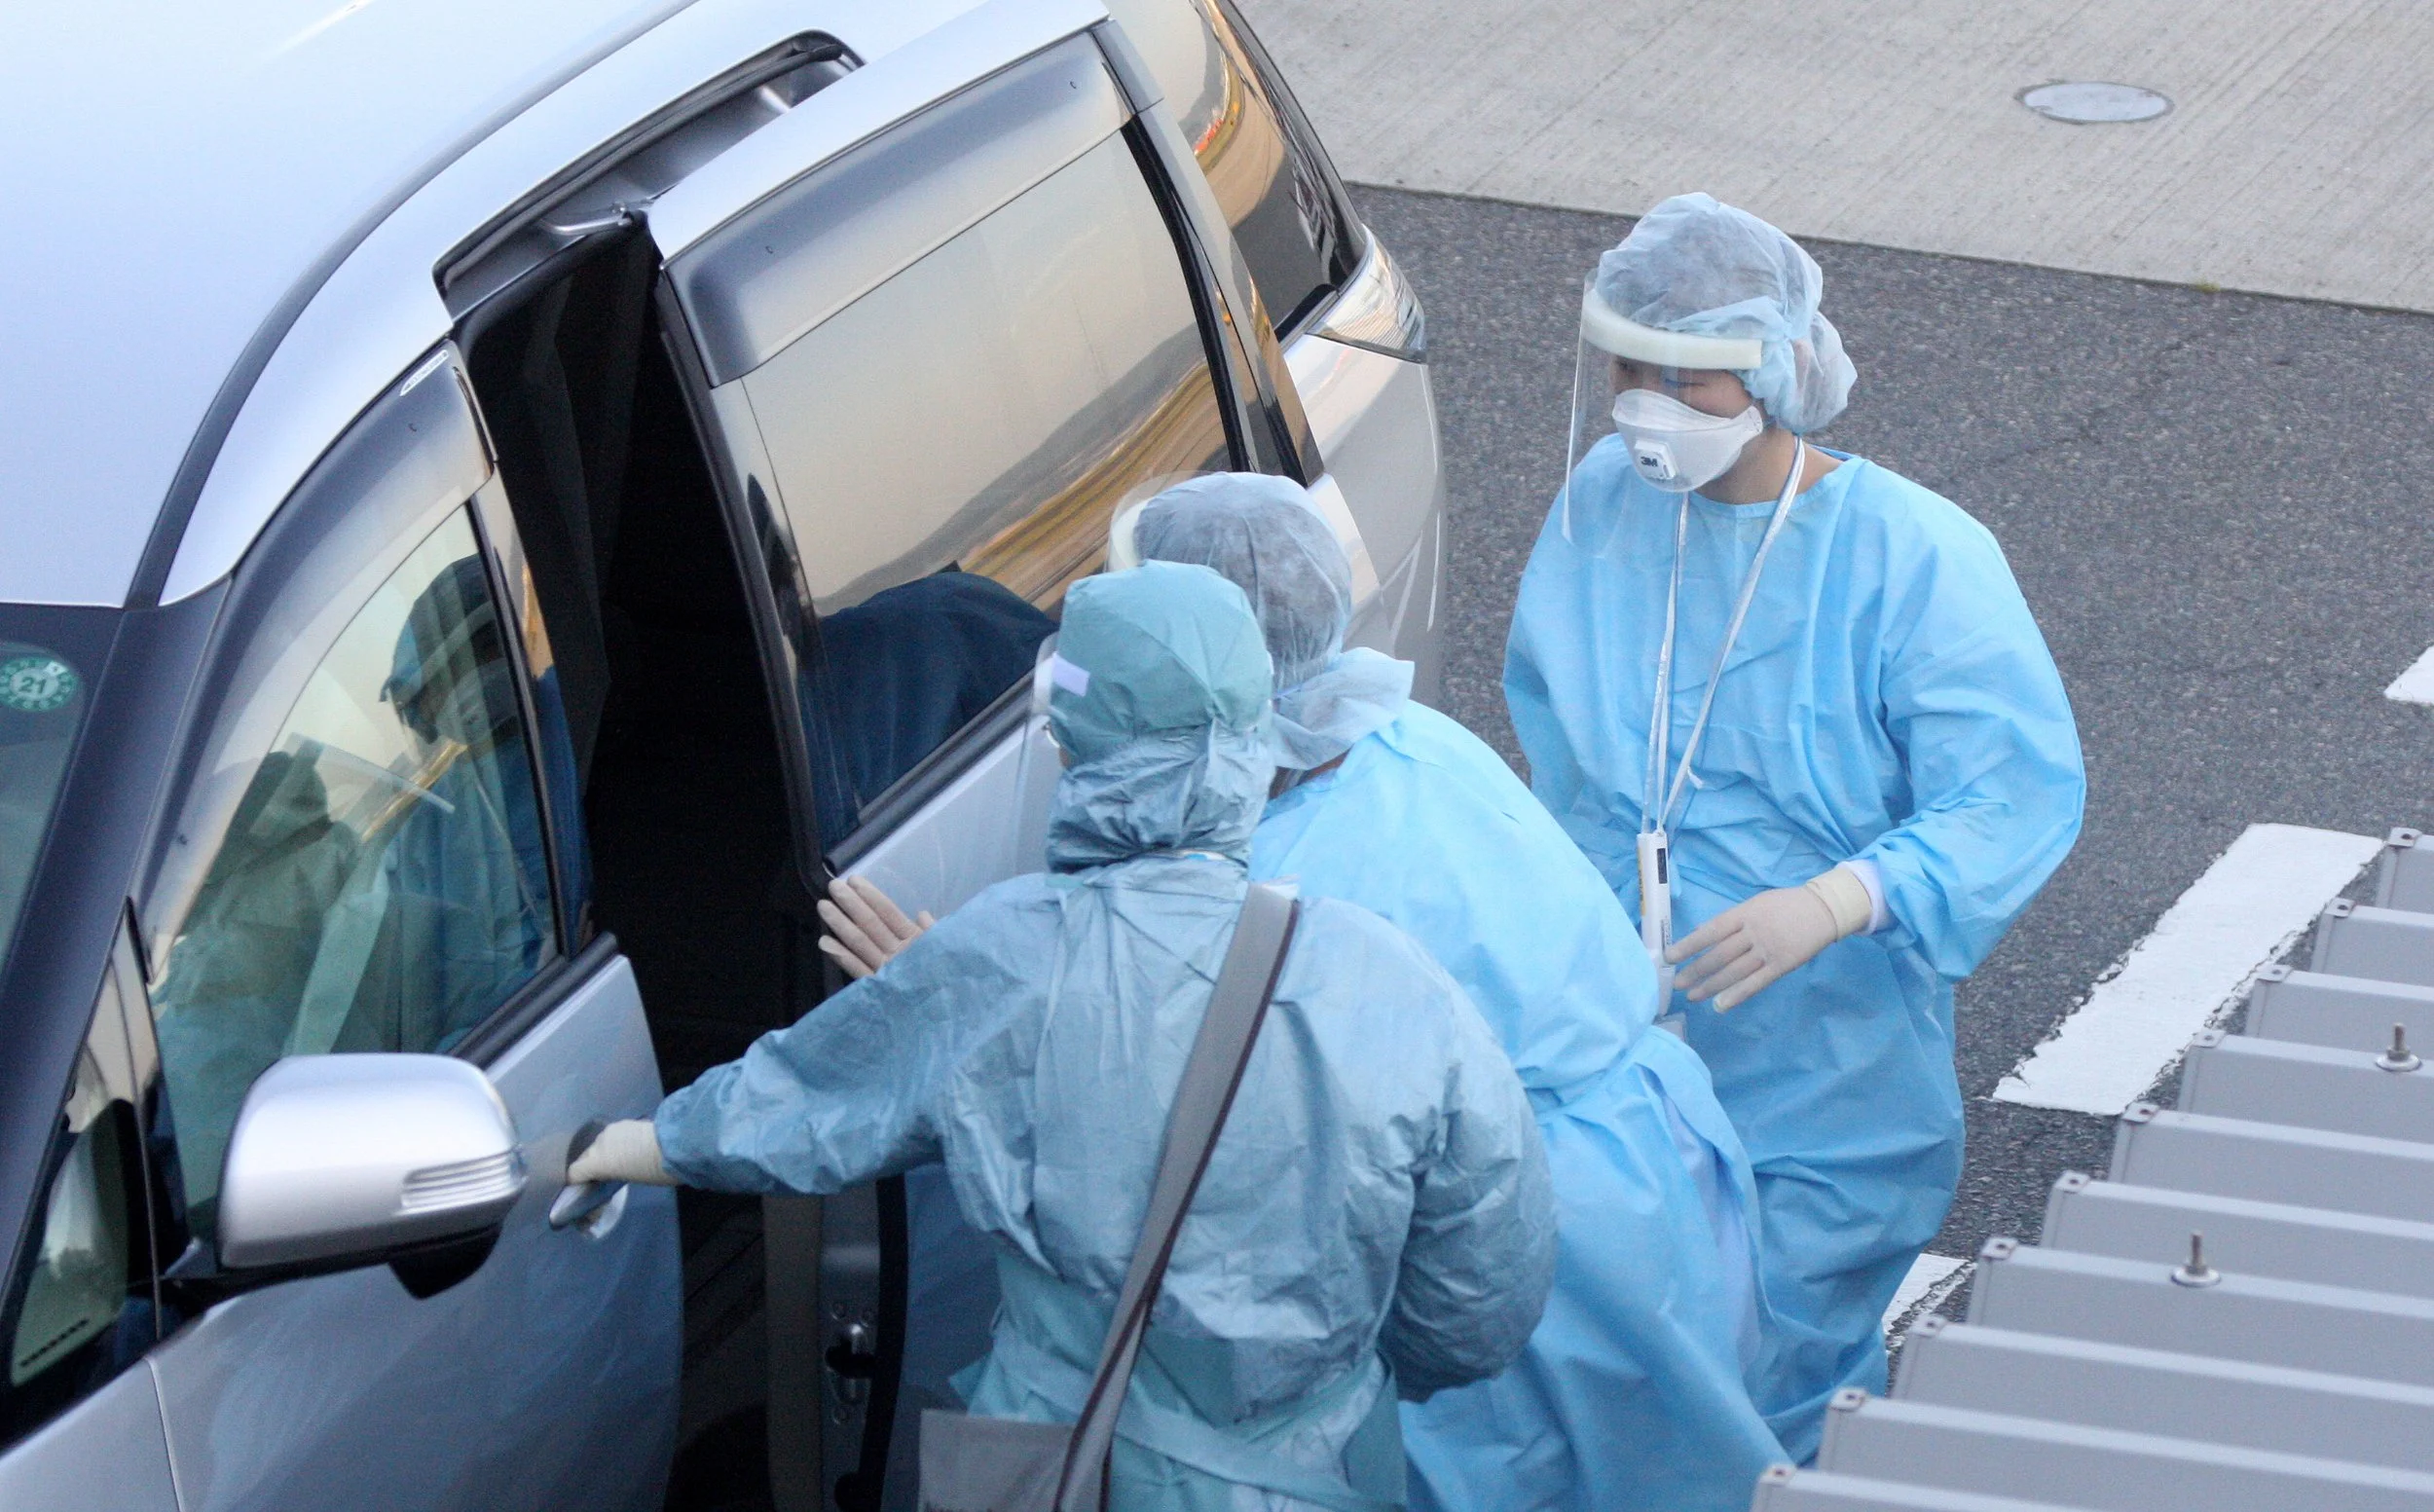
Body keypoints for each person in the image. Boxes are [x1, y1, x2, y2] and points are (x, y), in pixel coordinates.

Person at [573, 561, 1557, 1510]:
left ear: (1073, 743)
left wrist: (615, 1147)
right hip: (1317, 1470)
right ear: (1257, 734)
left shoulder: (1004, 955)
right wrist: (1327, 1384)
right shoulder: (1393, 980)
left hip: (1061, 1455)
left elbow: (799, 1104)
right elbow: (1482, 1299)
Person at [1503, 193, 2085, 1458]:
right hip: (1619, 1041)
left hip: (1823, 1084)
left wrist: (1838, 901)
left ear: (1774, 370)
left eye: (1694, 378)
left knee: (1765, 1385)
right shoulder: (1607, 502)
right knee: (1591, 1368)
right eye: (1633, 368)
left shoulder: (1911, 555)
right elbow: (1560, 736)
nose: (1650, 404)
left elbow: (2014, 790)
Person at [1121, 473, 1785, 1512]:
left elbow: (1151, 1109)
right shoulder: (1412, 740)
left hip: (1502, 1242)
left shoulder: (1274, 886)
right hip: (1652, 1181)